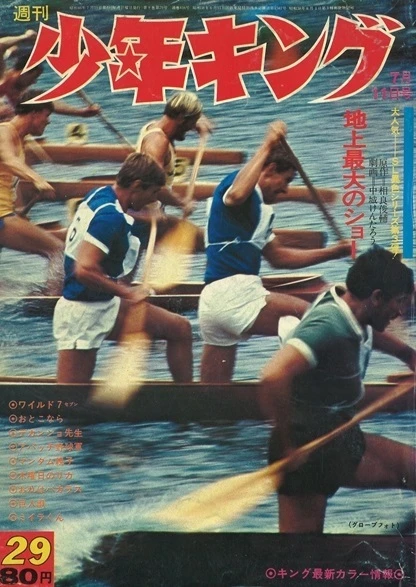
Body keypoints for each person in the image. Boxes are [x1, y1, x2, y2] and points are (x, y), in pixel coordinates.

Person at [260, 246, 415, 533]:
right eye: (399, 302)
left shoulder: (348, 304)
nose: (401, 312)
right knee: (300, 551)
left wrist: (408, 356)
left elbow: (366, 329)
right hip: (306, 451)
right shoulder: (328, 325)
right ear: (376, 297)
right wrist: (288, 444)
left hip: (338, 435)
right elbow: (272, 375)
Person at [198, 120, 351, 382]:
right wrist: (268, 143)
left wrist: (334, 252)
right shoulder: (237, 184)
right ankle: (295, 384)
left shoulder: (260, 210)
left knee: (214, 394)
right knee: (314, 318)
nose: (285, 189)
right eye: (286, 179)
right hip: (235, 295)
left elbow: (278, 258)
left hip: (212, 302)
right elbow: (236, 195)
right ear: (269, 169)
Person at [53, 152, 193, 384]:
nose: (153, 200)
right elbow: (84, 270)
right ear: (136, 185)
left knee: (180, 329)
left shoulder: (100, 193)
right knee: (71, 399)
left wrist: (148, 216)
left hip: (106, 303)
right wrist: (128, 292)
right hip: (81, 313)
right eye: (153, 193)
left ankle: (188, 398)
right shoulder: (110, 218)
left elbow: (117, 219)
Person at [0, 89, 64, 294]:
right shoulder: (4, 132)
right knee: (58, 250)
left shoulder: (20, 139)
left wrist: (18, 211)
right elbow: (9, 160)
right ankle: (51, 300)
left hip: (5, 213)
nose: (49, 121)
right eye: (47, 115)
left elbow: (9, 179)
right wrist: (37, 180)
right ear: (34, 113)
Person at [135, 91, 212, 250]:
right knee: (208, 242)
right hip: (145, 219)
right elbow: (154, 187)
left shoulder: (154, 126)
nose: (190, 129)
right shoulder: (157, 142)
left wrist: (195, 122)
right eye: (191, 123)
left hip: (150, 214)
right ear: (182, 118)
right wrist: (182, 203)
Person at [0, 51, 100, 121]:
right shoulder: (2, 78)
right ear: (24, 72)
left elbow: (46, 101)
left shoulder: (20, 91)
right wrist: (25, 37)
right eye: (33, 78)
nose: (34, 82)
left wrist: (80, 112)